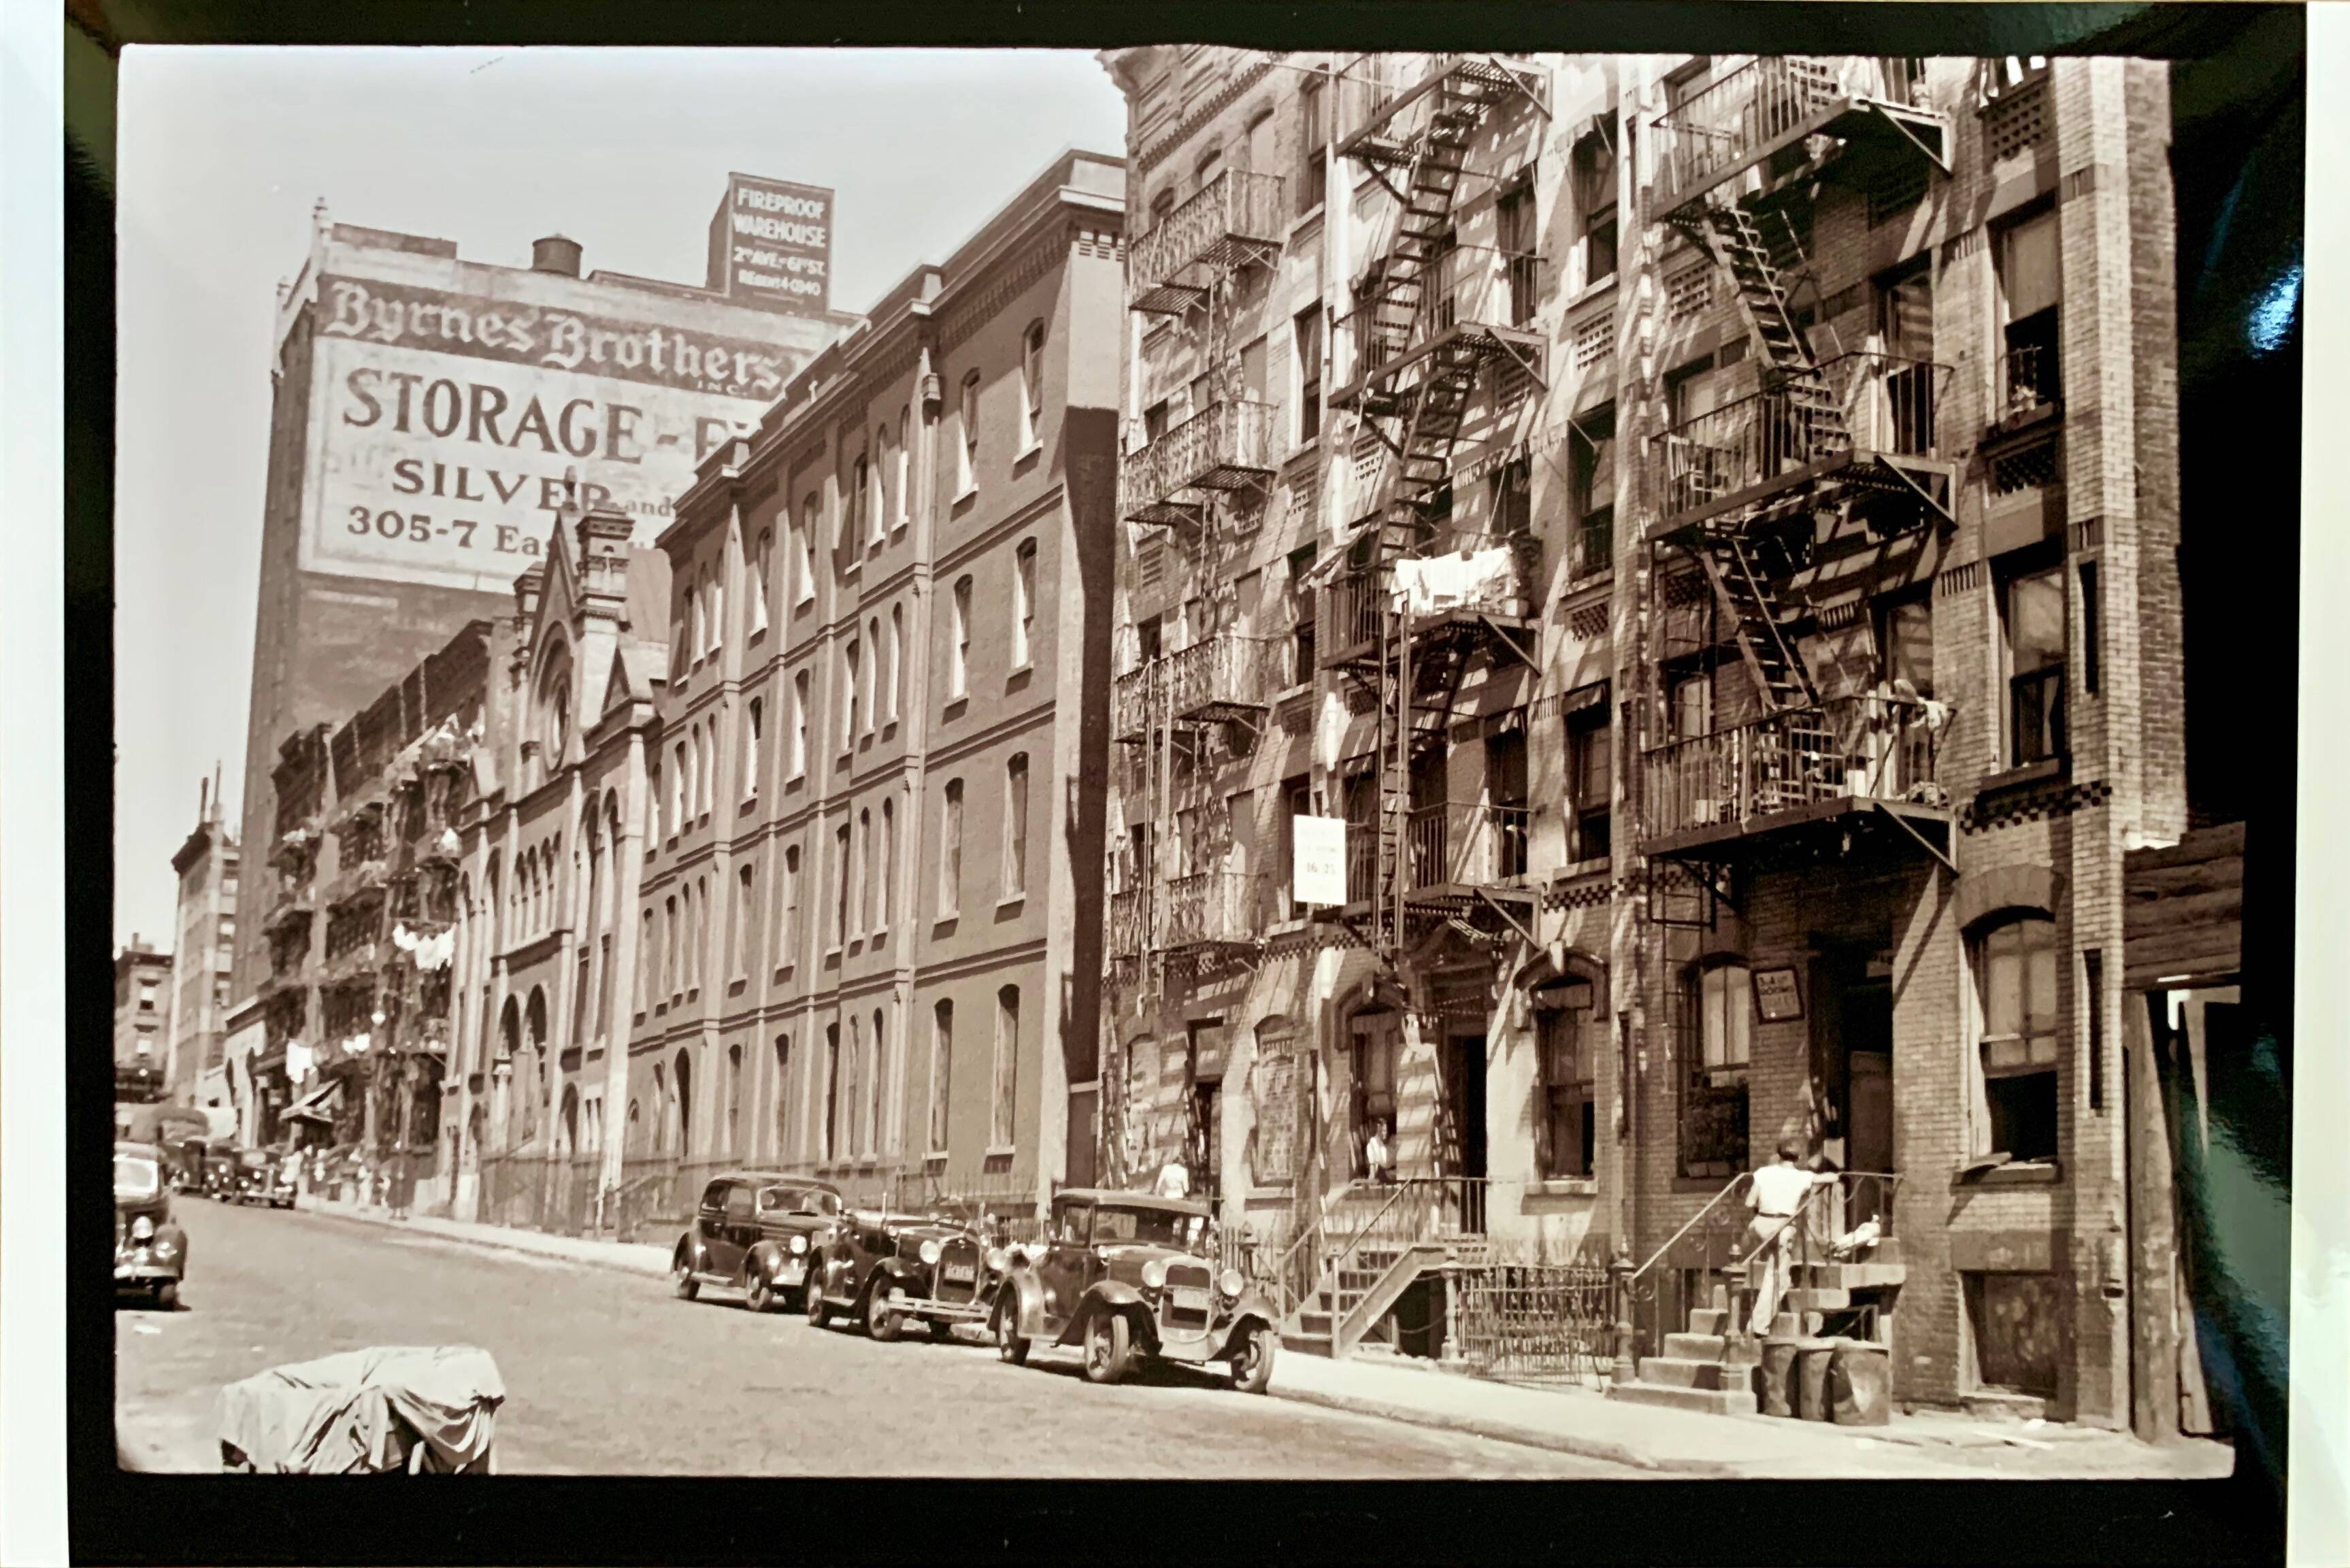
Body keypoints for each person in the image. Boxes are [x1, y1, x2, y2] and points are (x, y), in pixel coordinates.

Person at [1742, 1137, 1832, 1339]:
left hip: (1760, 1225)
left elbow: (1749, 1203)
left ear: (1778, 1155)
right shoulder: (1803, 1177)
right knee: (1775, 1276)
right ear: (1798, 1157)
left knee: (1773, 1267)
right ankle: (1758, 1326)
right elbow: (1828, 1179)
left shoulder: (1763, 1172)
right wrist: (1833, 1176)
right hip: (1782, 1228)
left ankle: (1750, 1269)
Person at [1364, 1120, 1393, 1185]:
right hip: (1379, 1175)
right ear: (1379, 1129)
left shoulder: (1382, 1144)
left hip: (1386, 1175)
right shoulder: (1373, 1143)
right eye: (1384, 1131)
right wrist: (1372, 1179)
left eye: (1386, 1131)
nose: (1386, 1133)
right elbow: (1373, 1164)